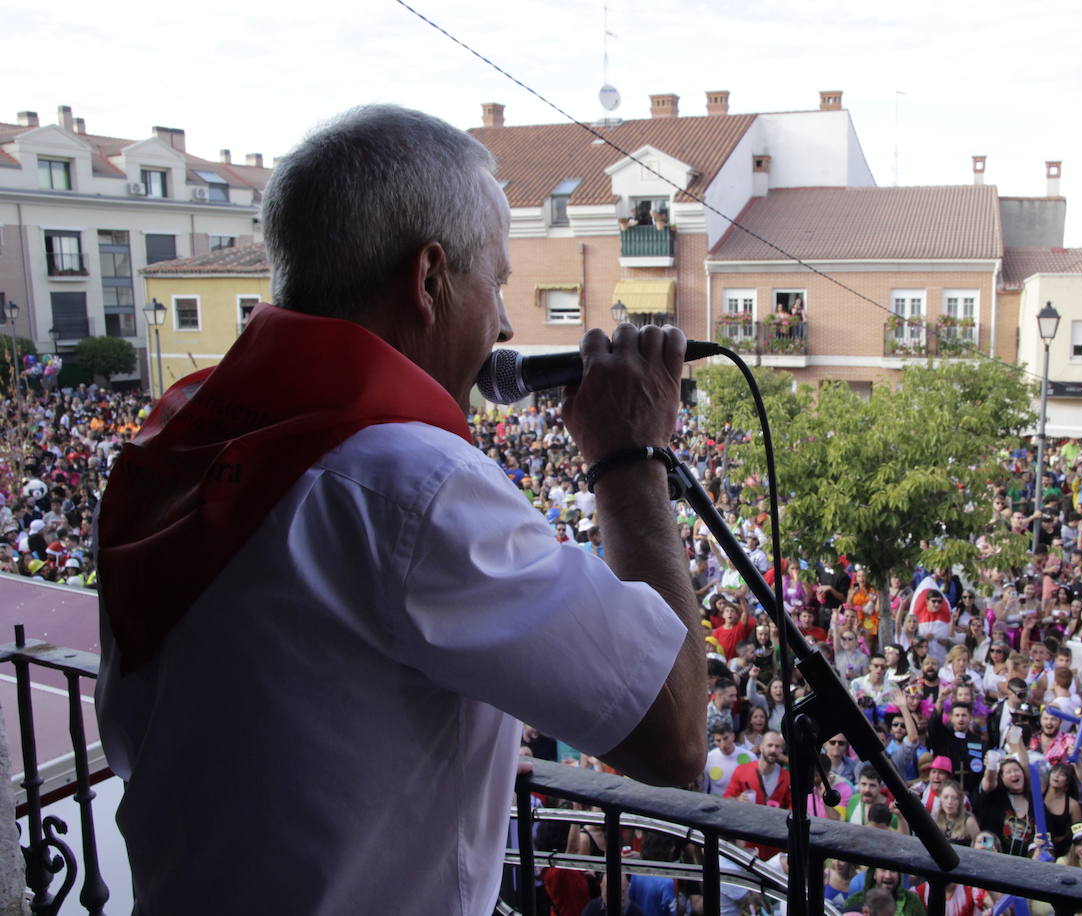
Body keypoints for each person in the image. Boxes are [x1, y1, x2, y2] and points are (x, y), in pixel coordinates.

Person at [93, 105, 706, 915]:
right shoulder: (408, 486)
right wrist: (628, 459)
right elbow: (674, 733)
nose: (508, 321)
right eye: (497, 279)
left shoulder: (176, 442)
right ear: (429, 278)